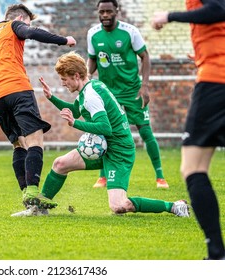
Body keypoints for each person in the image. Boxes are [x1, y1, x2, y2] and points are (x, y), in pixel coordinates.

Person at [14, 51, 190, 218]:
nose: (62, 83)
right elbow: (75, 111)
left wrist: (75, 124)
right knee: (60, 164)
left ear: (76, 76)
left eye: (64, 79)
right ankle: (39, 209)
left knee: (119, 206)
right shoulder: (89, 88)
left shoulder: (90, 95)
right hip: (104, 145)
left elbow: (106, 128)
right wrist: (52, 97)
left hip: (119, 150)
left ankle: (174, 206)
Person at [0, 4, 76, 212]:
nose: (27, 27)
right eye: (27, 22)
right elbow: (31, 33)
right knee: (35, 140)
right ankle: (32, 191)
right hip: (17, 89)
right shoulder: (14, 25)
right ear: (21, 19)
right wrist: (64, 40)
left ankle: (26, 194)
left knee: (18, 144)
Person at [151, 0, 225, 260]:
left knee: (193, 168)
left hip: (216, 83)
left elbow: (218, 10)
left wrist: (169, 15)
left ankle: (216, 254)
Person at [87, 0, 169, 189]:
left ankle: (160, 176)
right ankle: (103, 176)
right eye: (102, 12)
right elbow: (92, 60)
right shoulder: (93, 33)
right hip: (107, 93)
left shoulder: (129, 32)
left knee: (145, 131)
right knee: (105, 132)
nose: (105, 15)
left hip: (132, 91)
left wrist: (145, 85)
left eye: (109, 11)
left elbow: (145, 56)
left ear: (117, 11)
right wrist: (87, 77)